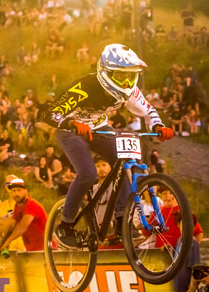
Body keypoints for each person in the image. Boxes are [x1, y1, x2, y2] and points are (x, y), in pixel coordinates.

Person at [42, 43, 173, 248]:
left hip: (99, 128)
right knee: (88, 174)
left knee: (125, 162)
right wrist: (71, 123)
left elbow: (148, 110)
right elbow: (49, 114)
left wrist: (158, 125)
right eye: (122, 76)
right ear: (106, 72)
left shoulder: (129, 91)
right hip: (71, 130)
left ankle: (122, 220)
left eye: (131, 76)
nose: (128, 81)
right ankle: (65, 225)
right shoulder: (85, 87)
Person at [0, 178, 47, 254]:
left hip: (45, 249)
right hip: (31, 250)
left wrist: (7, 243)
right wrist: (1, 245)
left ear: (26, 191)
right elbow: (11, 228)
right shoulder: (18, 206)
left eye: (19, 190)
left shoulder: (32, 205)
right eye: (14, 191)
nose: (16, 193)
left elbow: (22, 227)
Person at [0, 174, 26, 253]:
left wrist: (5, 223)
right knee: (5, 262)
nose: (10, 186)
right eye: (8, 184)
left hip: (23, 247)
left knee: (23, 264)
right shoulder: (3, 205)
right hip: (7, 247)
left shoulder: (23, 202)